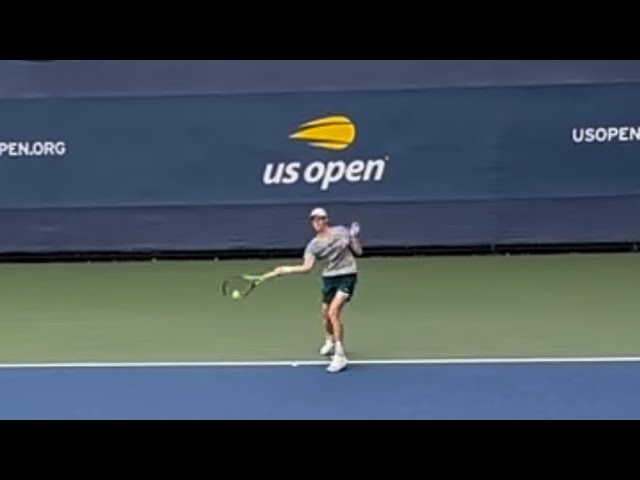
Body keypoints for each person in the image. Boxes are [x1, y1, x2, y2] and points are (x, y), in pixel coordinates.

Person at [269, 207, 362, 373]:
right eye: (314, 220)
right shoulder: (313, 245)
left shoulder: (341, 231)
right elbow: (307, 267)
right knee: (325, 315)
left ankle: (340, 356)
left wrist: (353, 238)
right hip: (329, 278)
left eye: (320, 219)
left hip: (347, 274)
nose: (317, 222)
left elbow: (358, 251)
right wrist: (285, 270)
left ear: (326, 220)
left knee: (334, 312)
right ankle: (329, 339)